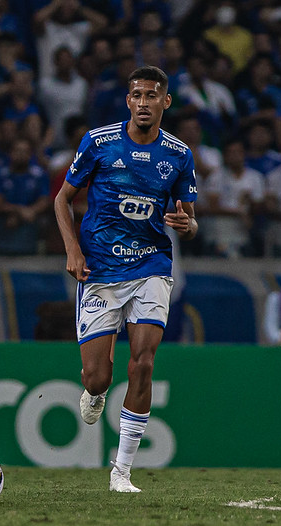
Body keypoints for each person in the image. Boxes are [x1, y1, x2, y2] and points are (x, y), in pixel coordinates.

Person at [54, 66, 198, 492]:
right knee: (98, 376)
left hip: (150, 266)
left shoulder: (178, 154)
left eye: (152, 96)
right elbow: (63, 200)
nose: (143, 103)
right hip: (99, 269)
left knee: (144, 363)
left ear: (165, 102)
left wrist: (187, 226)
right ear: (127, 100)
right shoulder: (98, 142)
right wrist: (72, 250)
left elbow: (188, 219)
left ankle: (122, 471)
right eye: (136, 95)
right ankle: (97, 391)